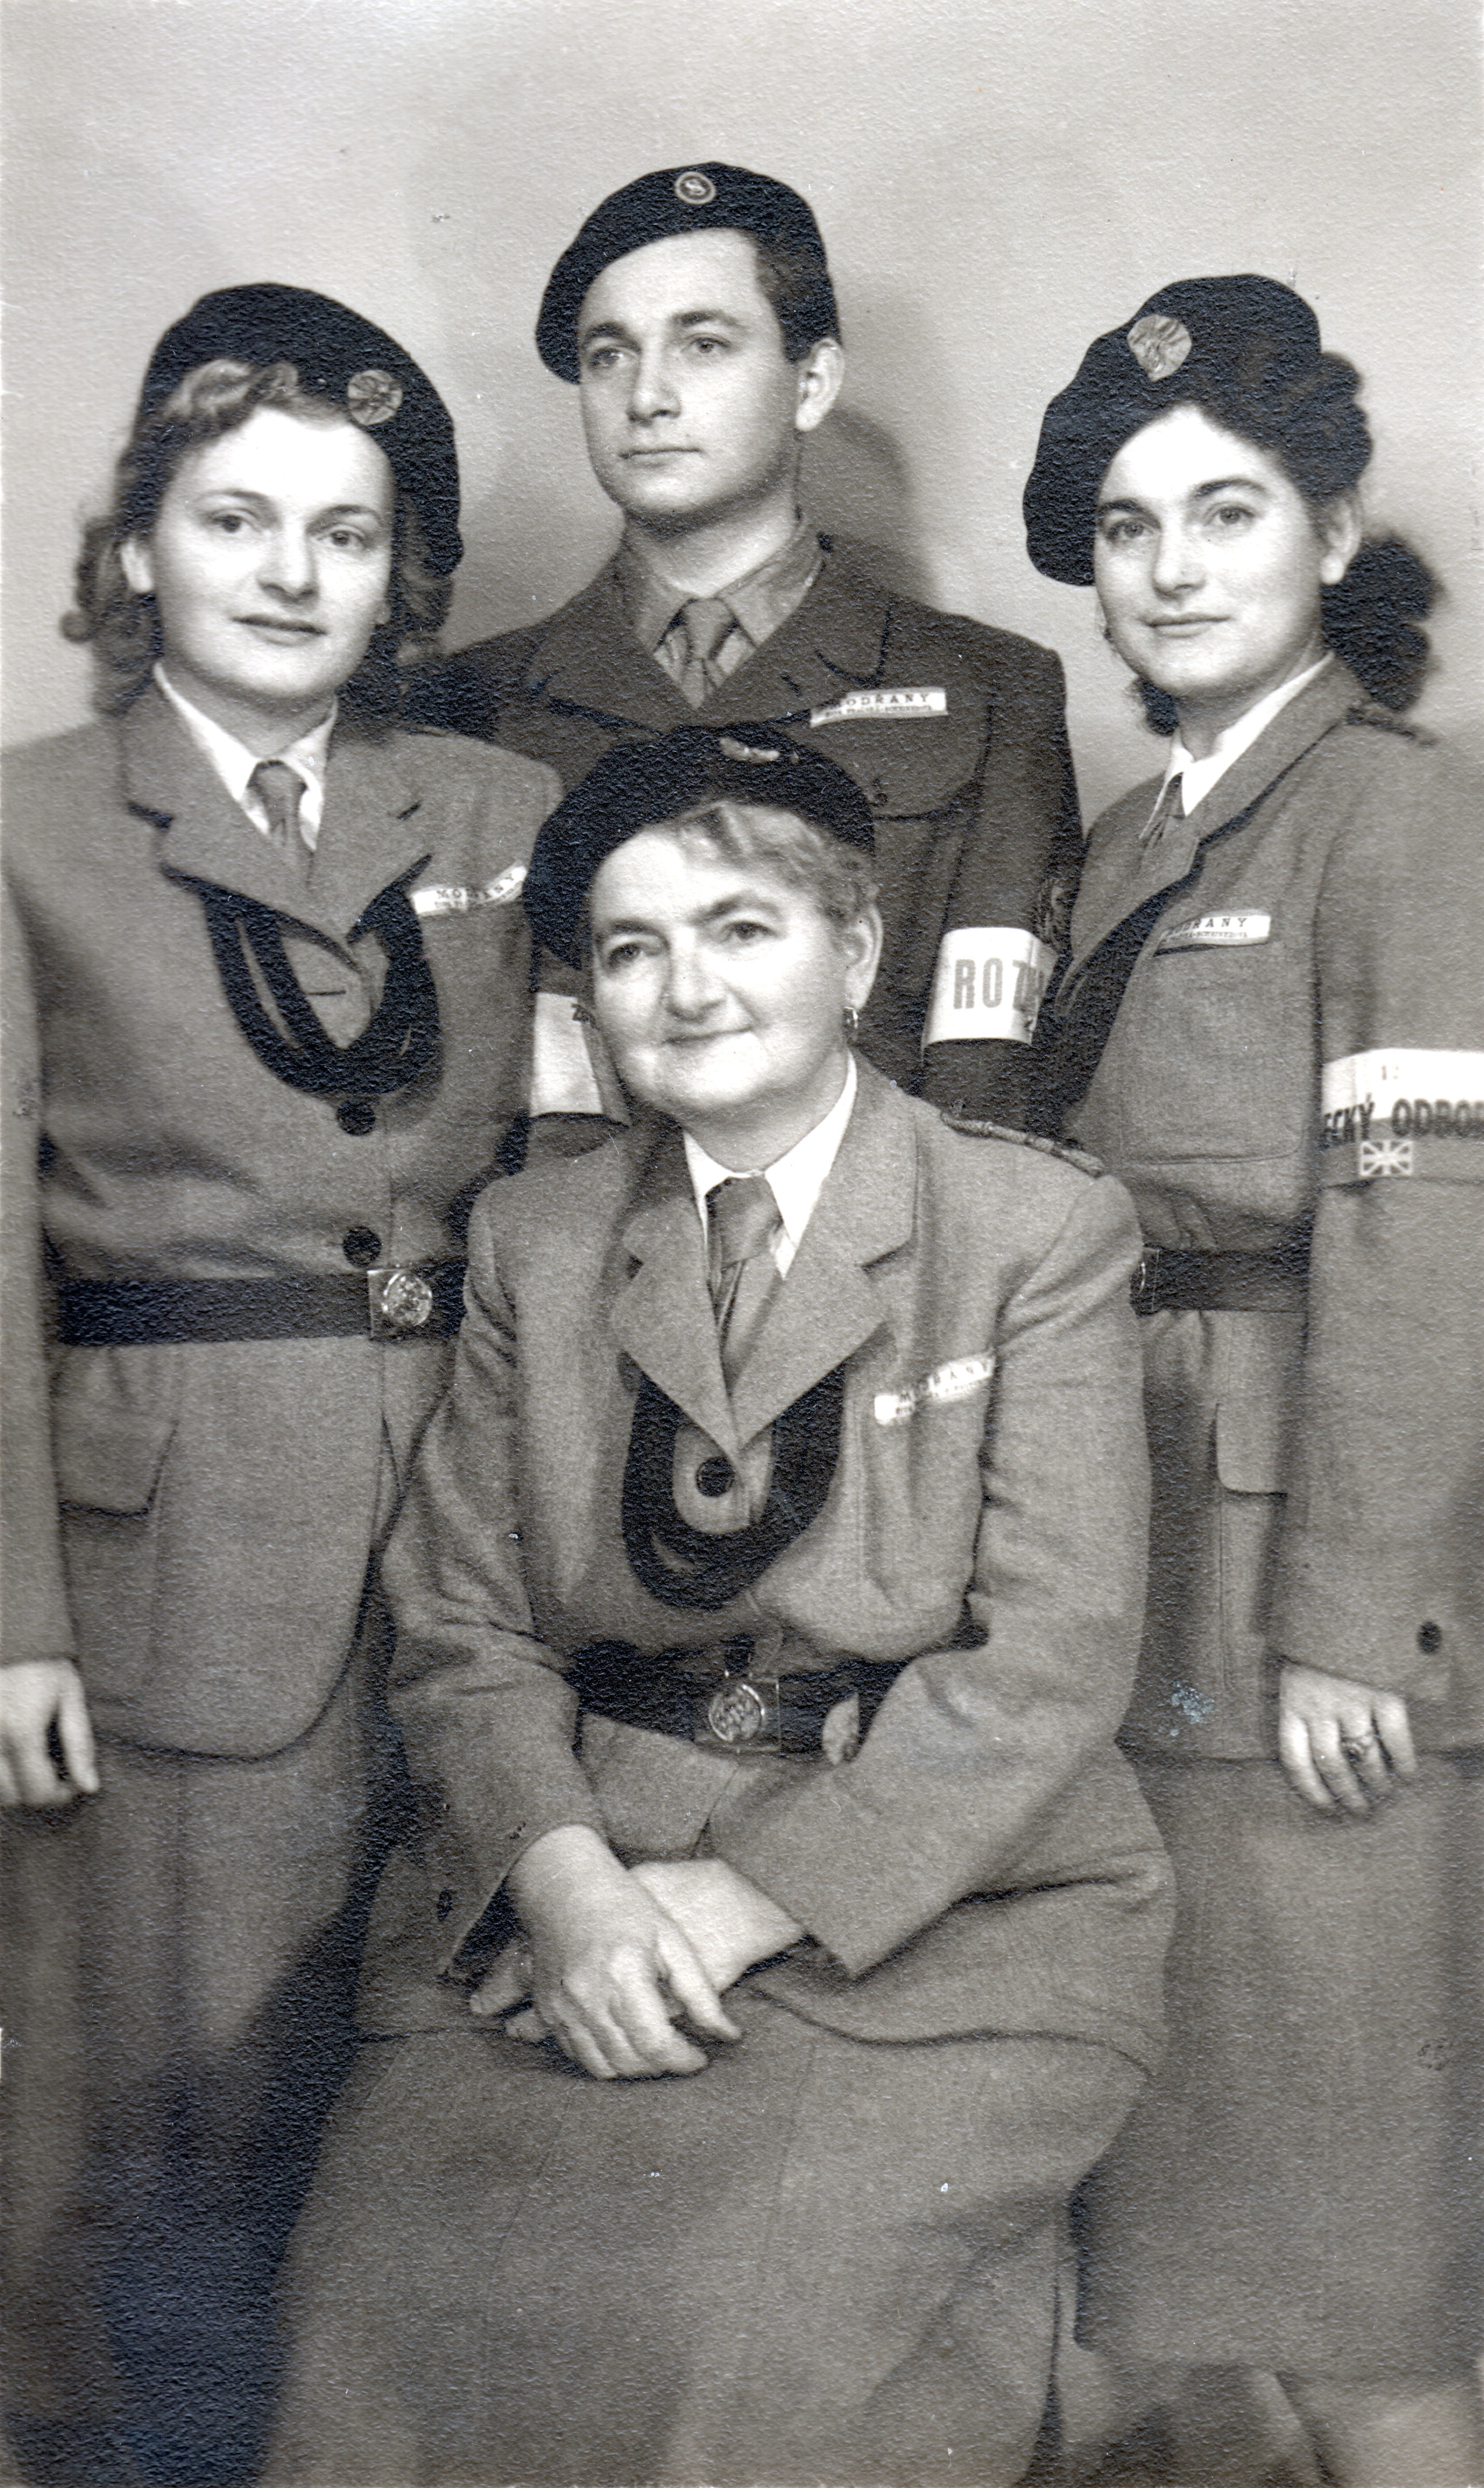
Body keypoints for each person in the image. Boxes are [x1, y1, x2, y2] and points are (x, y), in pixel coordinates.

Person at [266, 724, 1172, 2488]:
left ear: (857, 949)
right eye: (631, 947)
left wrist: (749, 1900)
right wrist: (571, 1893)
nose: (686, 989)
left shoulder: (1028, 1227)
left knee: (724, 2357)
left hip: (930, 1911)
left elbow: (1050, 1655)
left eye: (741, 928)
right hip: (574, 1889)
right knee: (359, 2347)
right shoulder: (535, 1236)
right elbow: (461, 1626)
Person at [0, 283, 558, 2487]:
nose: (288, 569)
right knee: (171, 2103)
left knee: (445, 2083)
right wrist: (14, 1611)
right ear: (138, 544)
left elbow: (576, 1181)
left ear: (399, 574)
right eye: (235, 517)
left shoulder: (502, 808)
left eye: (343, 531)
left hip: (474, 1523)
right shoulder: (32, 827)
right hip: (172, 1553)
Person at [1022, 276, 1484, 2488]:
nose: (1175, 564)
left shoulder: (1394, 814)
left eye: (1227, 509)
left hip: (1300, 1608)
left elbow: (1427, 1229)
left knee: (1345, 2267)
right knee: (1193, 2246)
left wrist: (1350, 1616)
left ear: (1334, 531)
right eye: (1129, 525)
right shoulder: (1142, 833)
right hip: (1146, 1567)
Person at [406, 161, 1083, 1130]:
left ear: (811, 382)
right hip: (555, 1222)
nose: (647, 396)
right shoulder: (465, 702)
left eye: (703, 345)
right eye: (609, 355)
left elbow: (990, 1074)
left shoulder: (991, 690)